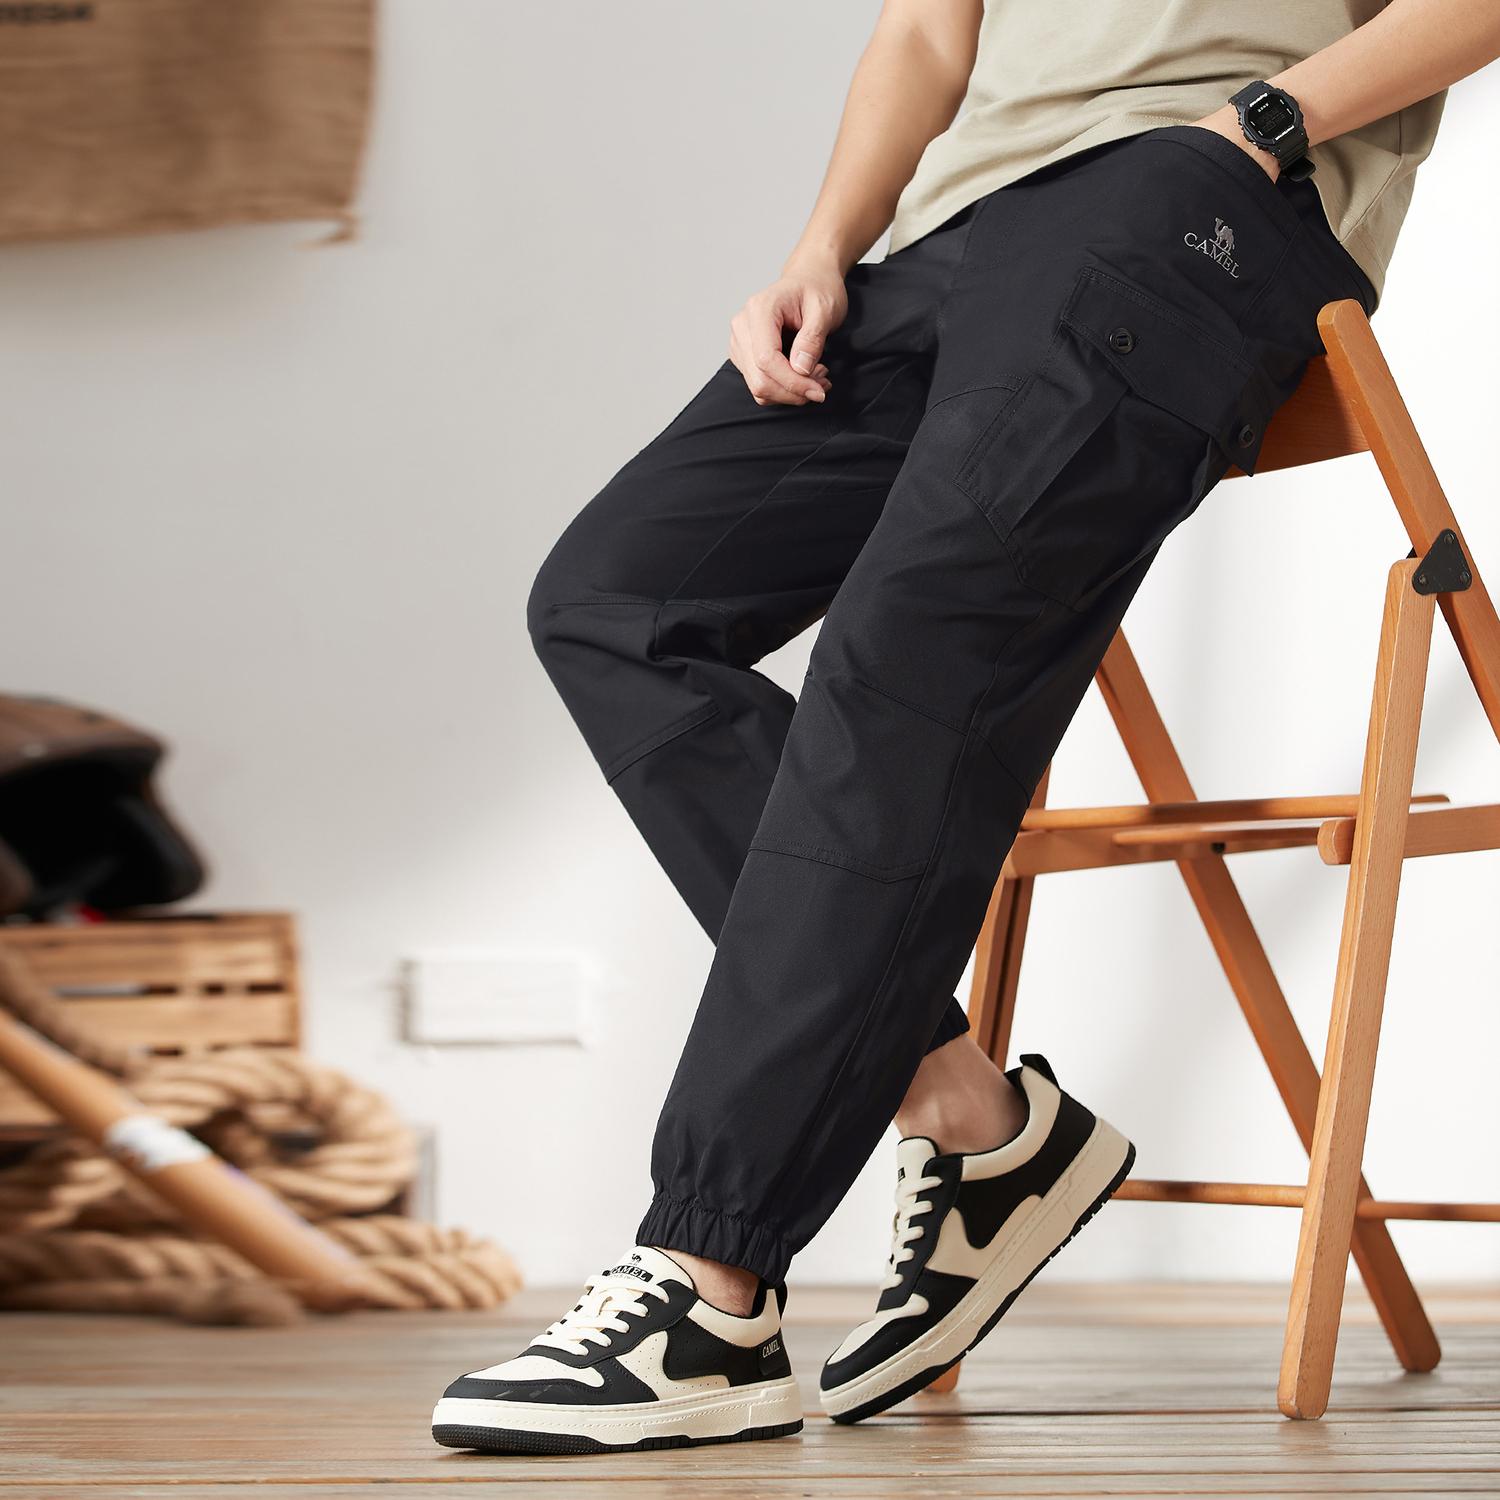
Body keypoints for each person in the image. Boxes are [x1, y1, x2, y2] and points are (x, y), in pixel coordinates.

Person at [432, 0, 1497, 1457]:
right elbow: (931, 34)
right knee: (617, 606)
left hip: (1185, 199)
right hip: (943, 237)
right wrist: (824, 246)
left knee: (905, 667)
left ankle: (710, 1288)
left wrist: (1259, 123)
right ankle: (974, 1118)